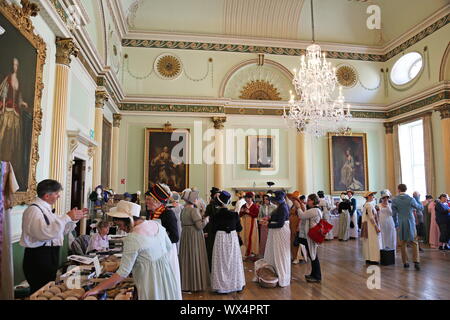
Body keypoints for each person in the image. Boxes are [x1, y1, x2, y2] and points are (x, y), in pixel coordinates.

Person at [83, 200, 181, 300]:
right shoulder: (157, 225)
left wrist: (98, 288)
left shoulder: (133, 238)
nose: (121, 229)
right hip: (167, 277)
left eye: (120, 225)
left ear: (128, 220)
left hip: (151, 281)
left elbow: (122, 273)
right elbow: (168, 247)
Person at [20, 179, 86, 294]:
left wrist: (72, 220)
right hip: (39, 256)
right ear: (46, 195)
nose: (58, 196)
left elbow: (58, 232)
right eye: (56, 193)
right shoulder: (33, 211)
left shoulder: (47, 210)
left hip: (49, 255)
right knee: (39, 291)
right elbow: (44, 234)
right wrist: (66, 217)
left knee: (47, 288)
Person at [145, 183, 181, 288]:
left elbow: (175, 237)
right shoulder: (151, 213)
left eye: (148, 199)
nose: (146, 202)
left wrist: (158, 242)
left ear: (156, 201)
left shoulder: (168, 214)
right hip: (154, 252)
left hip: (166, 253)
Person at [210, 191, 245, 294]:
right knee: (233, 260)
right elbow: (239, 228)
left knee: (221, 261)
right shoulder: (234, 214)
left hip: (220, 238)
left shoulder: (215, 215)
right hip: (232, 238)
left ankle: (221, 286)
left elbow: (213, 230)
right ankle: (235, 284)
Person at [179, 189, 210, 292]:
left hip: (185, 234)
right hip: (194, 236)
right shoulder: (193, 210)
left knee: (186, 259)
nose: (197, 200)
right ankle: (195, 285)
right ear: (192, 200)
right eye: (196, 198)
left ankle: (186, 284)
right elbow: (199, 226)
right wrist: (206, 219)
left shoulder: (183, 210)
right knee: (195, 257)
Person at [261, 191, 291, 287]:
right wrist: (269, 219)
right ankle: (275, 273)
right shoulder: (280, 206)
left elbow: (280, 224)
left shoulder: (283, 207)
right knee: (275, 252)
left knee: (280, 253)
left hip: (281, 232)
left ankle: (282, 276)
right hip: (276, 232)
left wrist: (268, 224)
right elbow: (276, 218)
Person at [391, 184, 424, 270]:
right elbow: (420, 208)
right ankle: (416, 262)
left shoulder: (394, 200)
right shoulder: (410, 199)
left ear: (398, 189)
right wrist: (418, 199)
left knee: (403, 243)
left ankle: (405, 262)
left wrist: (395, 224)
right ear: (406, 189)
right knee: (414, 242)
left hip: (401, 222)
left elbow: (394, 214)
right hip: (410, 222)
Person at [297, 194, 322, 283]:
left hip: (312, 235)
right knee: (312, 255)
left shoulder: (314, 210)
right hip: (311, 234)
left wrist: (298, 207)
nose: (307, 202)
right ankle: (313, 274)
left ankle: (317, 276)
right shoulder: (314, 209)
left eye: (309, 200)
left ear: (313, 201)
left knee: (313, 255)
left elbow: (302, 216)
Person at [204, 187, 221, 271]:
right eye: (217, 194)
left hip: (219, 228)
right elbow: (205, 216)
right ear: (214, 195)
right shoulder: (210, 206)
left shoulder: (221, 205)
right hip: (211, 228)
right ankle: (211, 267)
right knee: (211, 247)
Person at [361, 191, 381, 264]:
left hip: (367, 224)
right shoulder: (369, 205)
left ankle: (368, 258)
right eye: (372, 195)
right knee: (373, 241)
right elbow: (371, 217)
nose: (373, 197)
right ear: (368, 196)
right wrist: (376, 227)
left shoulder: (367, 204)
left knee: (368, 241)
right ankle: (373, 259)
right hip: (370, 226)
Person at [239, 192, 260, 258]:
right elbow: (240, 214)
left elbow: (256, 215)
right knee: (244, 236)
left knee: (252, 236)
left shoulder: (255, 206)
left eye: (249, 198)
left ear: (251, 198)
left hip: (252, 222)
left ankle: (252, 251)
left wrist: (249, 212)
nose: (247, 199)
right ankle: (244, 251)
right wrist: (242, 212)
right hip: (244, 222)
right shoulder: (243, 205)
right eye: (246, 198)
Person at [287, 191, 302, 261]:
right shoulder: (293, 205)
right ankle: (293, 256)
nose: (292, 200)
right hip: (291, 224)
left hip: (296, 225)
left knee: (295, 241)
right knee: (292, 240)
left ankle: (297, 257)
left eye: (293, 199)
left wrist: (299, 226)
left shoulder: (300, 206)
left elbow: (302, 217)